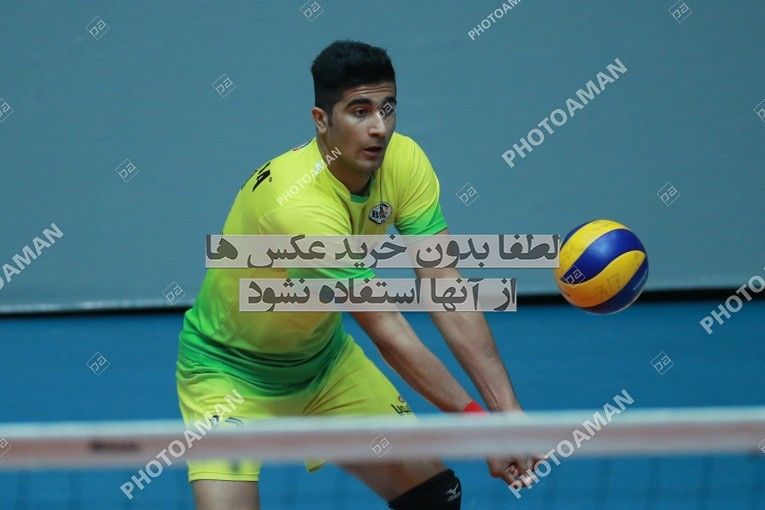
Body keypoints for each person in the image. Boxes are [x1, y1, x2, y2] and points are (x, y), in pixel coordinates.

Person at [176, 39, 539, 510]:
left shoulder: (404, 161)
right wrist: (477, 423)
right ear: (321, 120)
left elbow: (444, 284)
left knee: (434, 498)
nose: (379, 128)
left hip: (324, 364)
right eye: (360, 111)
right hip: (227, 374)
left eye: (388, 108)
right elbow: (386, 329)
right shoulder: (299, 207)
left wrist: (508, 413)